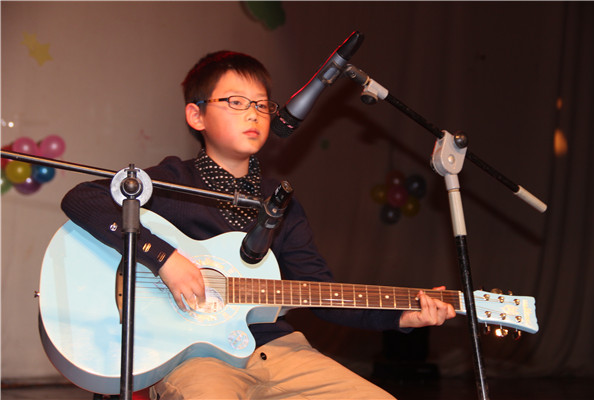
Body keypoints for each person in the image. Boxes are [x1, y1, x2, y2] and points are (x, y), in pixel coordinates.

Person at [61, 50, 456, 399]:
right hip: (193, 358)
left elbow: (324, 295)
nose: (253, 113)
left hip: (278, 350)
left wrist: (402, 317)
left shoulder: (282, 203)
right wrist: (163, 258)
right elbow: (82, 198)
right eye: (236, 102)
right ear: (196, 115)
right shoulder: (173, 181)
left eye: (262, 105)